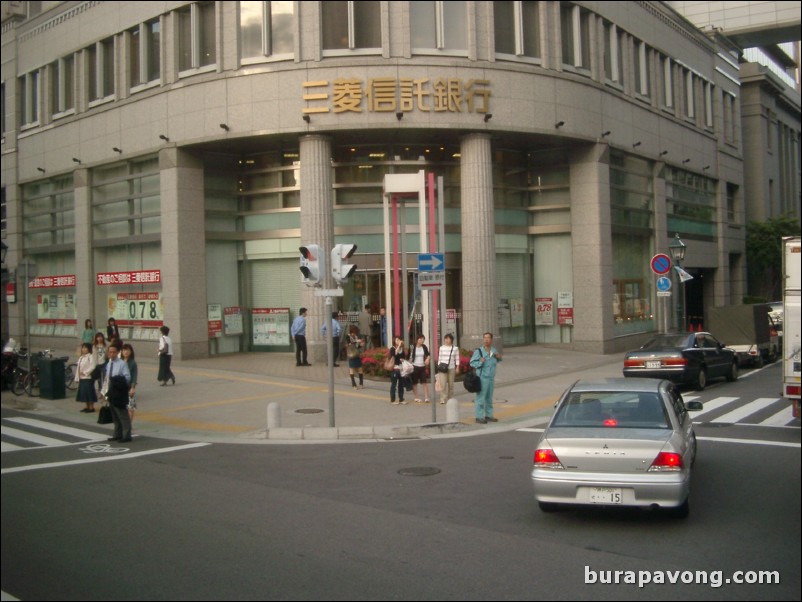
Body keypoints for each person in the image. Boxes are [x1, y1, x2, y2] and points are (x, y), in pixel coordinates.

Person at [470, 332, 502, 424]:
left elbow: (498, 359)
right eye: (485, 338)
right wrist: (480, 362)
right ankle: (479, 416)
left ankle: (489, 415)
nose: (486, 340)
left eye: (488, 338)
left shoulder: (493, 350)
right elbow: (472, 363)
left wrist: (499, 357)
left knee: (489, 397)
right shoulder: (479, 351)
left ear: (491, 340)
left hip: (491, 378)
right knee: (480, 397)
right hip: (482, 378)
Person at [102, 343, 132, 442]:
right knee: (114, 415)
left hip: (119, 391)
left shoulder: (122, 363)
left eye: (114, 352)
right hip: (110, 391)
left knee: (122, 415)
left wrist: (117, 380)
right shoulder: (109, 363)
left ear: (118, 352)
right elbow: (106, 379)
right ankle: (117, 434)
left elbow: (127, 377)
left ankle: (126, 435)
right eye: (110, 352)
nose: (112, 354)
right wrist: (103, 392)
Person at [436, 333, 460, 405]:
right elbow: (439, 358)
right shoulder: (441, 348)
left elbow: (457, 358)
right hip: (442, 368)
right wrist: (439, 366)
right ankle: (442, 398)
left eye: (448, 339)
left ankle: (450, 397)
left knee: (451, 384)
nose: (447, 340)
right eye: (446, 338)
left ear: (451, 340)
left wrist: (457, 367)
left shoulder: (455, 348)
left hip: (451, 368)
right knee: (443, 384)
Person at [74, 342, 97, 413]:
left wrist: (86, 372)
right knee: (84, 393)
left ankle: (91, 407)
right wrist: (77, 378)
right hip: (82, 378)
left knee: (89, 392)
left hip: (88, 377)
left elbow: (93, 366)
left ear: (89, 349)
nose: (83, 349)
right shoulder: (81, 357)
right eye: (83, 348)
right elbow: (78, 367)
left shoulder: (90, 356)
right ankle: (87, 406)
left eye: (85, 348)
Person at [410, 334, 431, 403]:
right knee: (415, 383)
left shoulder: (424, 347)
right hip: (414, 366)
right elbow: (409, 356)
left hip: (422, 366)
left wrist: (428, 359)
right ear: (417, 339)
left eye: (423, 339)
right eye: (420, 339)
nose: (422, 340)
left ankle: (427, 397)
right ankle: (416, 397)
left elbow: (428, 355)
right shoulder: (413, 346)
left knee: (424, 382)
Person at [121, 343, 138, 423]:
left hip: (129, 387)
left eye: (127, 350)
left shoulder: (133, 363)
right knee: (122, 407)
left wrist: (132, 387)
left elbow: (134, 376)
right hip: (120, 387)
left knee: (130, 407)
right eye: (124, 350)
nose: (126, 352)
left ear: (131, 352)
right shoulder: (119, 362)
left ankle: (129, 424)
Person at [389, 335, 407, 405]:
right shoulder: (392, 349)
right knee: (394, 384)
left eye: (399, 340)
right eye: (397, 340)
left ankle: (401, 399)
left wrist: (403, 359)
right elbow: (395, 354)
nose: (398, 341)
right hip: (394, 368)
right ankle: (393, 399)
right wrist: (399, 346)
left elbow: (404, 357)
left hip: (401, 368)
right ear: (394, 341)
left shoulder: (402, 349)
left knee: (401, 384)